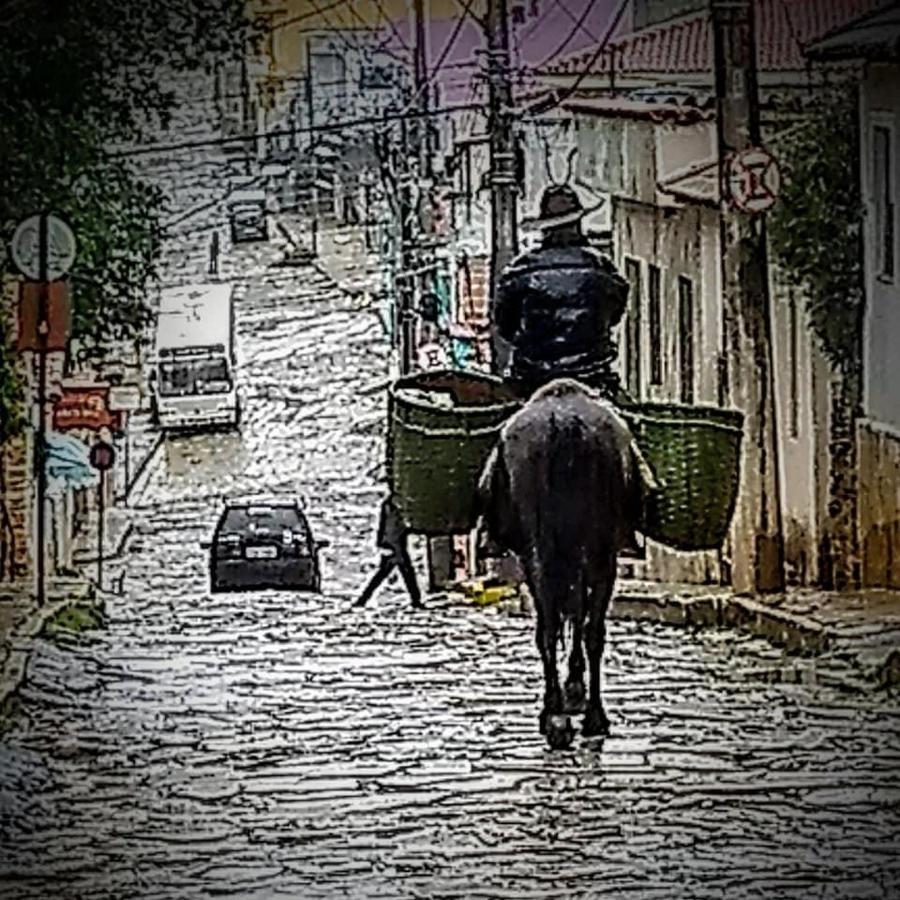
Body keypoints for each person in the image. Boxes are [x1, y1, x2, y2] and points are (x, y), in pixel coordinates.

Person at [495, 184, 631, 404]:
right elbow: (614, 316)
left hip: (531, 377)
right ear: (578, 224)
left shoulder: (519, 271)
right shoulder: (603, 269)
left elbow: (505, 327)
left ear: (545, 229)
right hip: (593, 375)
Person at [354, 495, 424, 609]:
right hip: (394, 543)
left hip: (393, 542)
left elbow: (384, 525)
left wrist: (380, 541)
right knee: (404, 572)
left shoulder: (390, 503)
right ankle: (416, 600)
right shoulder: (395, 504)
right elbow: (386, 524)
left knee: (387, 573)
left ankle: (362, 600)